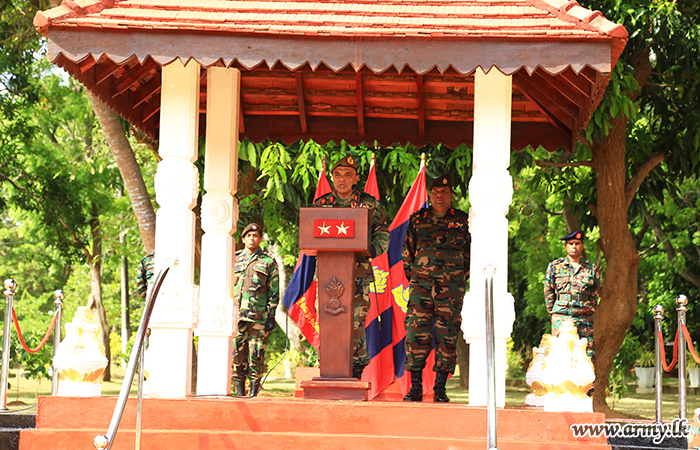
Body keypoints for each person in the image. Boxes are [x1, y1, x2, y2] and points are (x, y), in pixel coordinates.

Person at [313, 155, 390, 379]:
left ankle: (356, 370)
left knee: (355, 322)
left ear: (356, 178)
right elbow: (310, 231)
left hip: (358, 274)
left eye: (348, 175)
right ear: (332, 177)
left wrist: (371, 249)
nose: (342, 179)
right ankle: (328, 365)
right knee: (328, 319)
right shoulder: (322, 204)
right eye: (337, 175)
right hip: (328, 276)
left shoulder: (369, 204)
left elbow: (382, 233)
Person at [402, 174, 470, 403]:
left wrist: (459, 277)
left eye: (444, 192)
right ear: (430, 195)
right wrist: (417, 278)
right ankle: (416, 387)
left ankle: (440, 388)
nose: (439, 196)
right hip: (421, 287)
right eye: (435, 192)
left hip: (451, 289)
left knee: (447, 335)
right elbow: (407, 253)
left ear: (451, 196)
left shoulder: (463, 220)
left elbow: (471, 253)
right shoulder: (417, 219)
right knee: (415, 334)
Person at [231, 223, 279, 397]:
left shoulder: (268, 262)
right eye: (249, 235)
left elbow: (274, 290)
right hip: (236, 316)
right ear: (243, 239)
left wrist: (271, 315)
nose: (252, 238)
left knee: (256, 355)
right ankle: (239, 393)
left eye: (255, 236)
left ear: (260, 239)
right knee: (236, 355)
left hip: (258, 317)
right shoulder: (233, 259)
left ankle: (253, 394)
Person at [544, 230, 600, 359]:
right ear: (566, 246)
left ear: (582, 246)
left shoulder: (590, 268)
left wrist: (588, 308)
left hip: (584, 317)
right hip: (561, 316)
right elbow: (548, 291)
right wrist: (554, 312)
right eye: (571, 243)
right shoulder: (555, 267)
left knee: (587, 353)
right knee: (559, 353)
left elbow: (595, 292)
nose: (574, 246)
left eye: (577, 243)